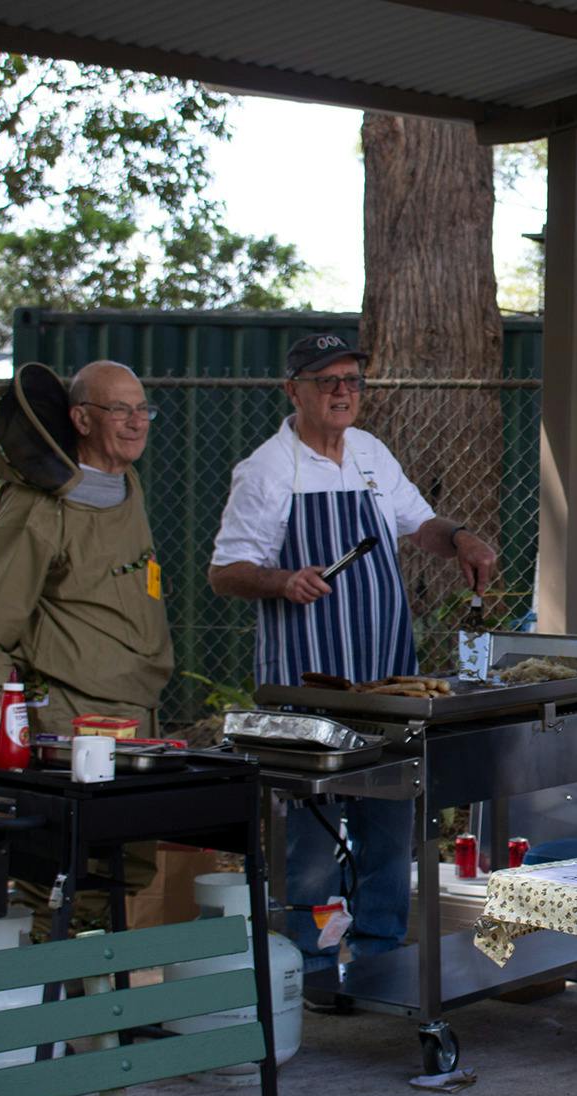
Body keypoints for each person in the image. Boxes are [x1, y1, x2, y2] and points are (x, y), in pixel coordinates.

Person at [208, 332, 496, 977]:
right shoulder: (266, 470)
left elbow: (418, 524)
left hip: (385, 669)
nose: (342, 392)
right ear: (294, 391)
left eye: (352, 380)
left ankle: (379, 952)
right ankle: (306, 966)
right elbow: (225, 571)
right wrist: (281, 580)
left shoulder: (369, 453)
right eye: (326, 380)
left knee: (391, 806)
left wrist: (462, 538)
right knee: (313, 821)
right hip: (305, 680)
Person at [0, 360, 173, 930]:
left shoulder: (129, 482)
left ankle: (98, 1006)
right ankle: (47, 1007)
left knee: (122, 863)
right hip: (69, 713)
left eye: (142, 408)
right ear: (79, 418)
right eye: (118, 409)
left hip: (133, 709)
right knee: (60, 871)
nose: (135, 422)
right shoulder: (39, 504)